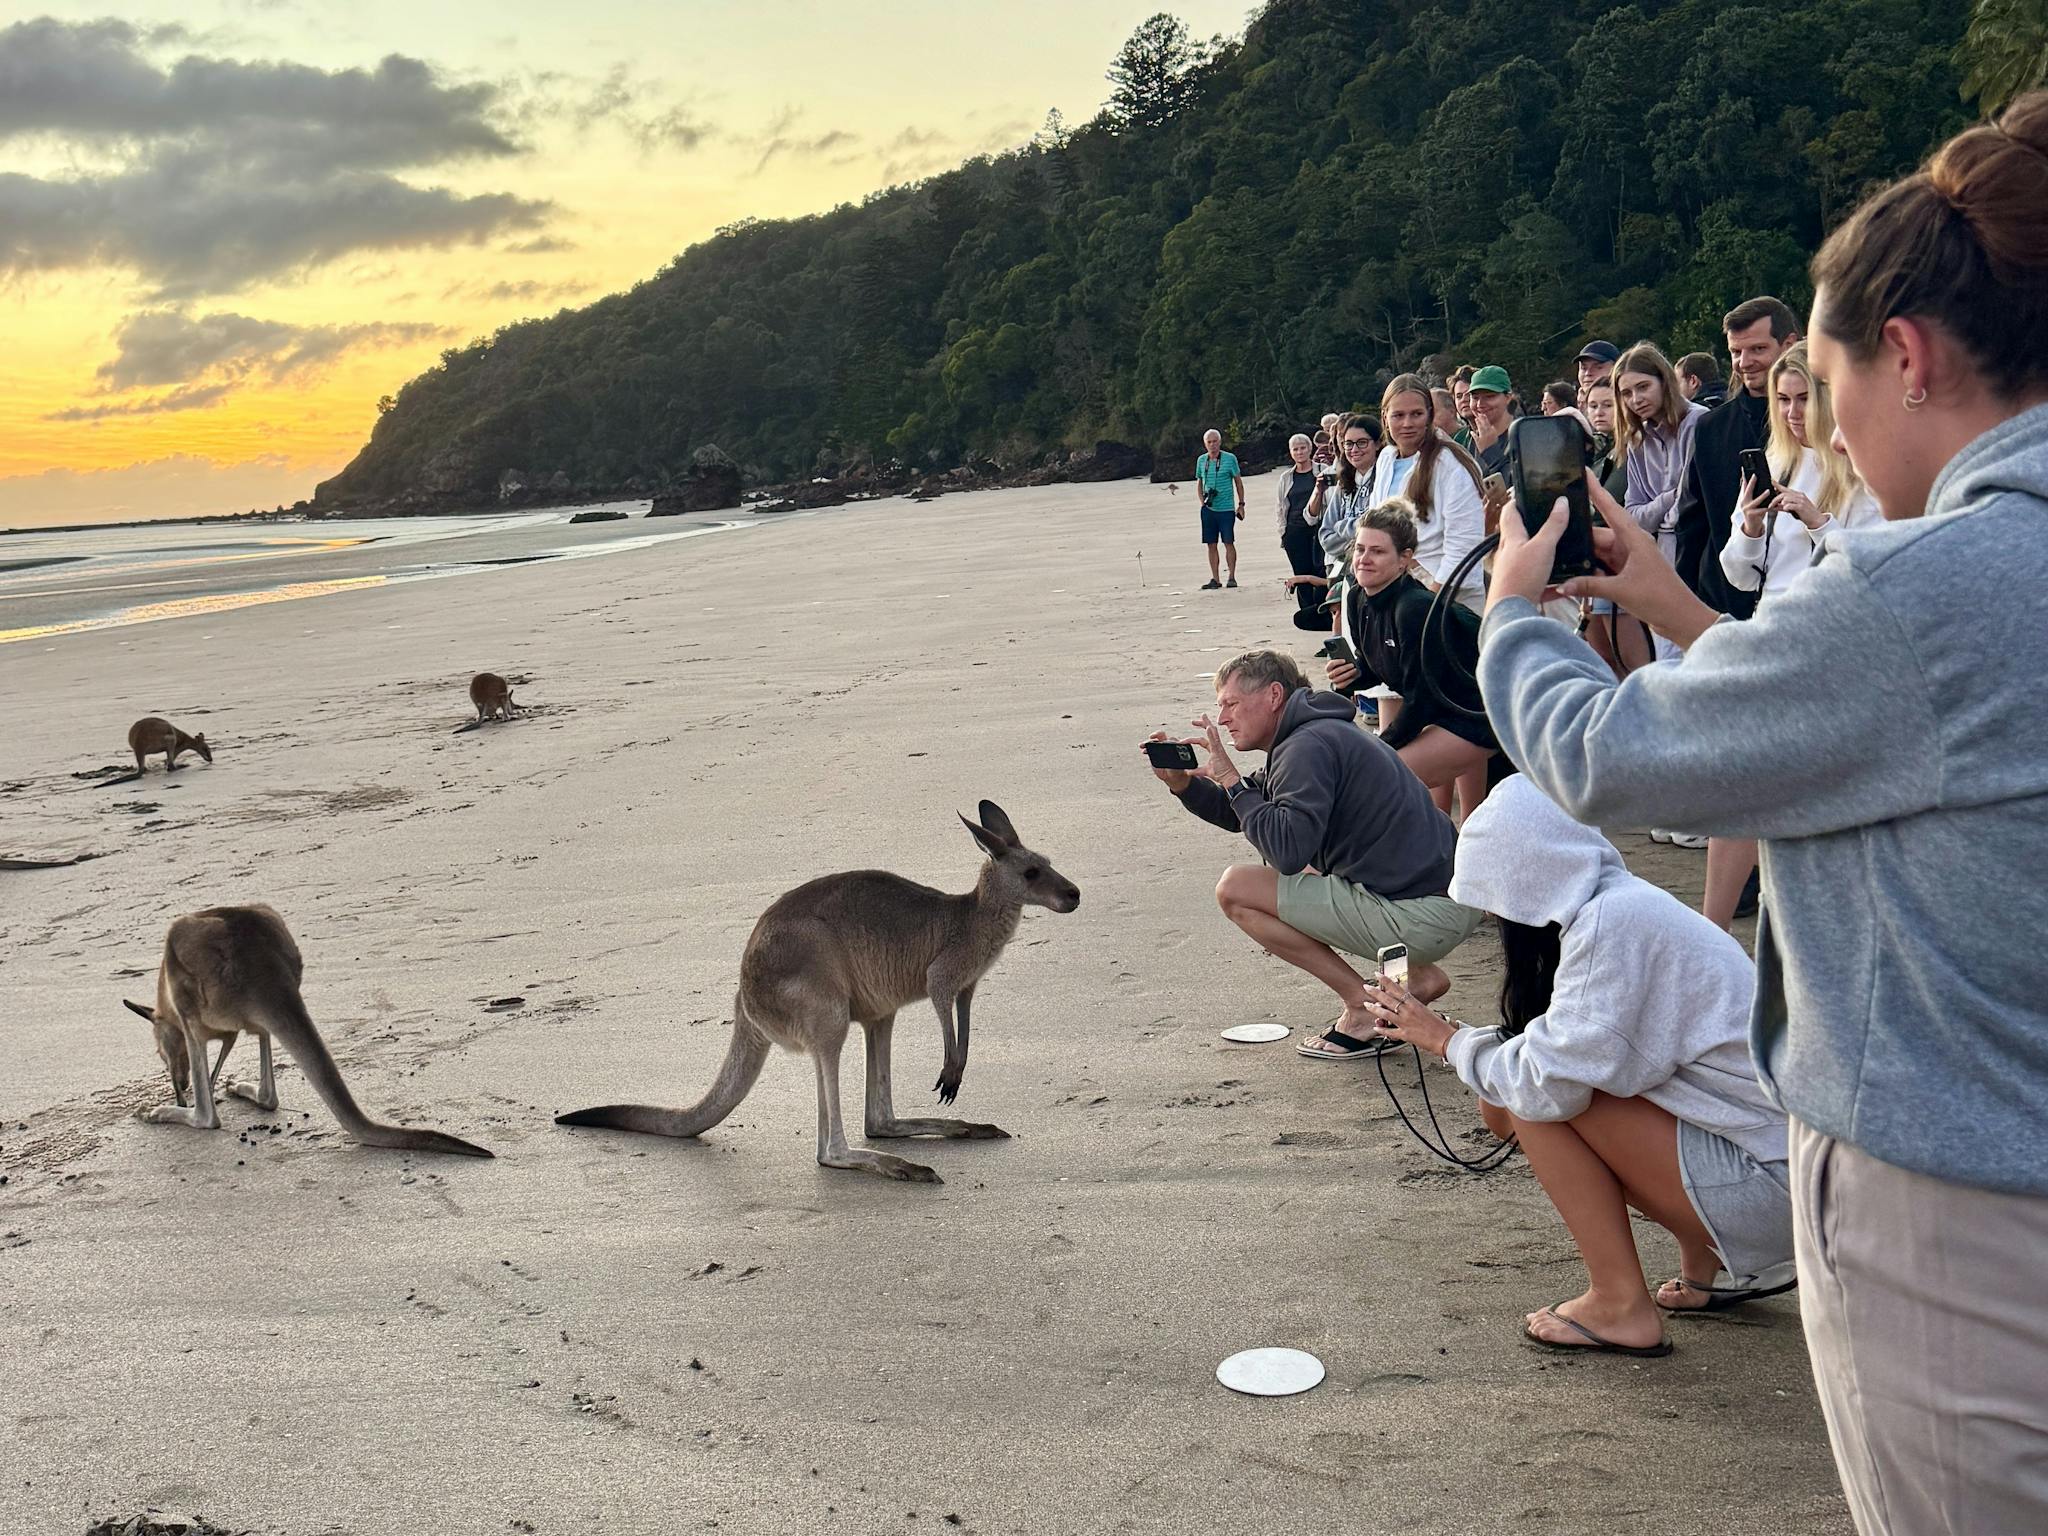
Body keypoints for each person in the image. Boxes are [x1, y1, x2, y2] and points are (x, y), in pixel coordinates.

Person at [1480, 89, 2048, 1534]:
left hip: (1965, 1204)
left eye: (1825, 369)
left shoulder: (1929, 589)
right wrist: (1672, 603)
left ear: (1905, 357)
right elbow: (1871, 725)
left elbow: (1607, 756)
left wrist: (1510, 613)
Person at [1364, 777, 1792, 1356]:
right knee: (1536, 1089)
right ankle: (1709, 1267)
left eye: (1493, 898)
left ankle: (1620, 1304)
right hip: (1789, 1167)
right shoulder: (1622, 903)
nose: (1493, 917)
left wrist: (1444, 1041)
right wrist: (1468, 1044)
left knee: (1536, 1102)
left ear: (1522, 880)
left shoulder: (1610, 929)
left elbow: (1546, 1091)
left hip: (1773, 1193)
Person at [1146, 649, 1480, 1061]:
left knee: (1236, 888)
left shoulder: (1306, 746)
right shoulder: (1314, 733)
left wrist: (1231, 779)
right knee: (1297, 869)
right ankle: (1415, 979)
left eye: (1231, 704)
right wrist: (1184, 786)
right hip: (1445, 901)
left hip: (1424, 915)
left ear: (1273, 696)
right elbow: (1244, 814)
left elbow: (1286, 851)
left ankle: (1362, 1006)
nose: (1224, 718)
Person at [1321, 501, 1498, 805]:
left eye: (1377, 551)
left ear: (1404, 559)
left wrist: (1380, 746)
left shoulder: (1413, 607)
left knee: (1380, 774)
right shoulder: (1358, 599)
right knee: (1441, 813)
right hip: (1448, 705)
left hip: (1483, 712)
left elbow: (1420, 699)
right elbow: (1379, 666)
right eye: (1360, 549)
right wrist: (1352, 676)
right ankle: (1449, 848)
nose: (1364, 559)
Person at [1719, 341, 1882, 601]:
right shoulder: (1775, 463)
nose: (1792, 413)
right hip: (1772, 621)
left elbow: (1872, 570)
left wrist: (1817, 523)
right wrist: (1751, 528)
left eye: (1804, 399)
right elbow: (1741, 578)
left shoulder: (1862, 469)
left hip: (1833, 623)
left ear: (1829, 398)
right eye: (1783, 399)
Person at [1670, 296, 1802, 617]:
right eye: (1735, 352)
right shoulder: (1710, 427)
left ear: (1788, 344)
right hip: (1723, 602)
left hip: (1799, 601)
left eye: (1757, 349)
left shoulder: (1817, 425)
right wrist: (1686, 602)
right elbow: (1693, 522)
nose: (1744, 362)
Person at [1616, 342, 1708, 677]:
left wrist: (1664, 504)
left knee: (1698, 654)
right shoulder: (1637, 439)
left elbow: (1691, 504)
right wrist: (1669, 498)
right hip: (1658, 554)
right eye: (1627, 393)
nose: (1636, 399)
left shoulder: (1699, 422)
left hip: (1696, 552)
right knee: (1667, 658)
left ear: (1664, 381)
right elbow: (1634, 515)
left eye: (1643, 387)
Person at [1370, 375, 1489, 616]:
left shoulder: (1450, 464)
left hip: (1447, 598)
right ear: (1385, 417)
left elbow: (1465, 543)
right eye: (1398, 415)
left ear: (1430, 415)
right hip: (1397, 593)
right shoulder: (1385, 459)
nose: (1407, 423)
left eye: (1416, 414)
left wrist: (1430, 602)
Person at [1311, 412, 1379, 573]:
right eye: (1348, 443)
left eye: (1362, 443)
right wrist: (1358, 534)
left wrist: (1341, 526)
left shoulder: (1384, 480)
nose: (1354, 449)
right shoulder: (1344, 483)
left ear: (1377, 443)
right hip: (1345, 571)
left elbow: (1379, 531)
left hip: (1377, 571)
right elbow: (1326, 536)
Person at [1275, 433, 1328, 627]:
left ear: (1310, 449)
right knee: (1301, 574)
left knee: (1320, 573)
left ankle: (1322, 613)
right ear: (1290, 452)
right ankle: (1307, 616)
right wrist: (1283, 532)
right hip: (1294, 532)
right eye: (1295, 449)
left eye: (1303, 448)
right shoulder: (1286, 477)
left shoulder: (1322, 471)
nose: (1299, 452)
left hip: (1317, 529)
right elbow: (1281, 506)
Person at [1195, 428, 1246, 589]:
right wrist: (1202, 502)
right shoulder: (1201, 460)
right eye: (1209, 442)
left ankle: (1232, 576)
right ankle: (1215, 579)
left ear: (1220, 442)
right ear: (1205, 444)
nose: (1212, 445)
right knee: (1211, 544)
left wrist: (1241, 504)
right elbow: (1199, 482)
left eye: (1215, 441)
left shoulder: (1230, 459)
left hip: (1226, 509)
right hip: (1209, 509)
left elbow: (1238, 481)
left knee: (1228, 542)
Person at [1465, 366, 1514, 480]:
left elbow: (1520, 485)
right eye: (1475, 398)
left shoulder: (1522, 435)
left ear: (1508, 398)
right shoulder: (1475, 439)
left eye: (1489, 396)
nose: (1480, 404)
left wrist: (1490, 451)